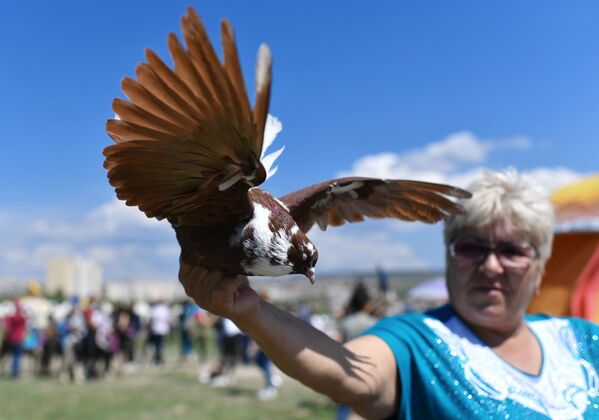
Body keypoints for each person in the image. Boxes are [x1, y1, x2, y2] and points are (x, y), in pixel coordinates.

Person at [179, 169, 599, 419]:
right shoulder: (418, 340)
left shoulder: (585, 340)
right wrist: (253, 312)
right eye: (471, 247)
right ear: (449, 258)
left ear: (541, 268)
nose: (491, 265)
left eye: (512, 251)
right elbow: (354, 373)